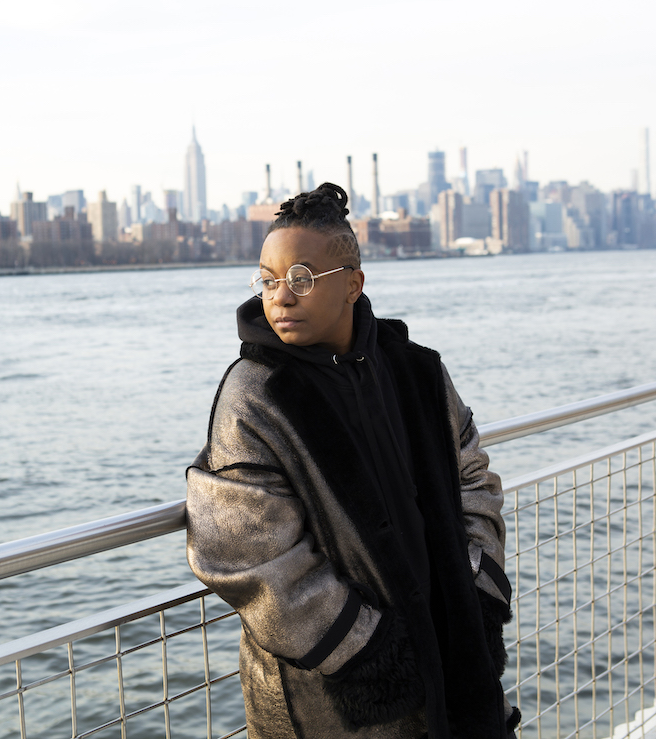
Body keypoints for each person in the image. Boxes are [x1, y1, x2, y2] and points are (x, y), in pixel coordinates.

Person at [185, 182, 519, 738]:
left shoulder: (416, 370)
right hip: (332, 694)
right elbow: (243, 548)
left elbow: (473, 476)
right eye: (268, 280)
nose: (281, 297)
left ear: (352, 284)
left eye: (301, 278)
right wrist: (366, 649)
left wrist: (478, 590)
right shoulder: (256, 394)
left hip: (452, 653)